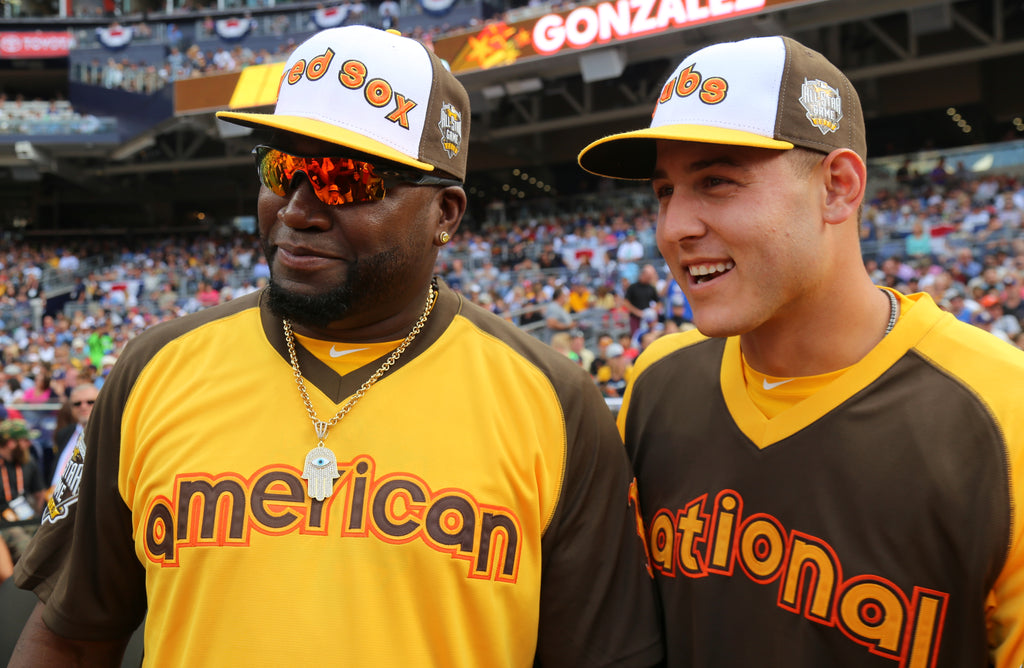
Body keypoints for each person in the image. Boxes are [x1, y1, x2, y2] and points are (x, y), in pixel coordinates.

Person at [11, 26, 662, 668]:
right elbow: (70, 639)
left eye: (345, 180)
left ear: (447, 214)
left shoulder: (553, 400)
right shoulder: (153, 369)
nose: (298, 209)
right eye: (283, 168)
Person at [577, 34, 1024, 666]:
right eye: (665, 192)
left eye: (717, 181)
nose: (674, 228)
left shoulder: (1003, 408)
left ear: (838, 187)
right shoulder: (659, 380)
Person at [46, 384, 98, 490]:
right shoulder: (64, 433)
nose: (83, 406)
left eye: (90, 402)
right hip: (53, 500)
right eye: (77, 403)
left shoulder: (109, 436)